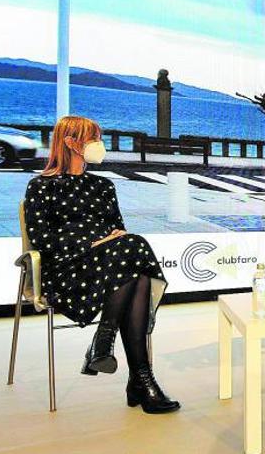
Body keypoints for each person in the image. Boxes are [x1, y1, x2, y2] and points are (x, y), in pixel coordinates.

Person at [23, 116, 180, 414]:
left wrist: (113, 238)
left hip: (109, 266)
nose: (99, 145)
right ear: (71, 143)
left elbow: (117, 229)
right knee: (137, 270)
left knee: (134, 256)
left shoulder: (103, 185)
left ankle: (109, 346)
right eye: (93, 138)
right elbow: (41, 239)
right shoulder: (41, 187)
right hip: (68, 271)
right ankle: (139, 380)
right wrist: (88, 244)